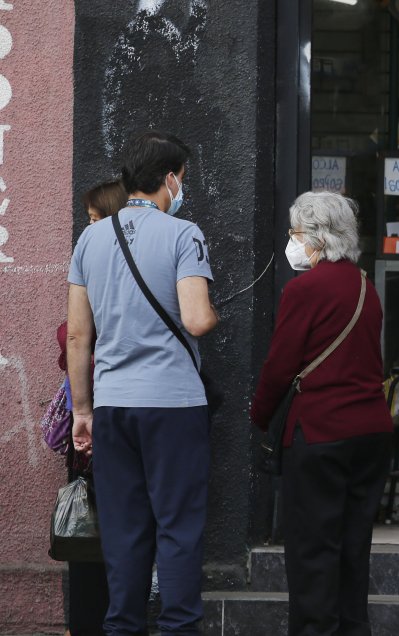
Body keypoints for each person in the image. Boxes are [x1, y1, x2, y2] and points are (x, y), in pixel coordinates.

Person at [67, 131, 218, 634]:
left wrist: (82, 410)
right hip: (173, 404)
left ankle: (123, 626)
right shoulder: (184, 234)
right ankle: (178, 628)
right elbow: (196, 321)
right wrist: (215, 314)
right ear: (170, 178)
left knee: (124, 530)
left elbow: (77, 338)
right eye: (184, 179)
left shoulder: (90, 238)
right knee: (177, 527)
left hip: (112, 404)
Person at [250, 191, 394, 636]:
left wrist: (259, 414)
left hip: (320, 431)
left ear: (315, 237)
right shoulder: (365, 288)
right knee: (353, 547)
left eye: (295, 234)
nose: (292, 243)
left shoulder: (305, 289)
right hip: (371, 430)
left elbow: (280, 365)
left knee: (313, 550)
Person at [53, 179, 127, 636]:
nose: (89, 228)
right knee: (91, 531)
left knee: (102, 532)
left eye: (96, 219)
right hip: (100, 422)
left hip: (102, 420)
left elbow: (71, 338)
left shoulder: (107, 274)